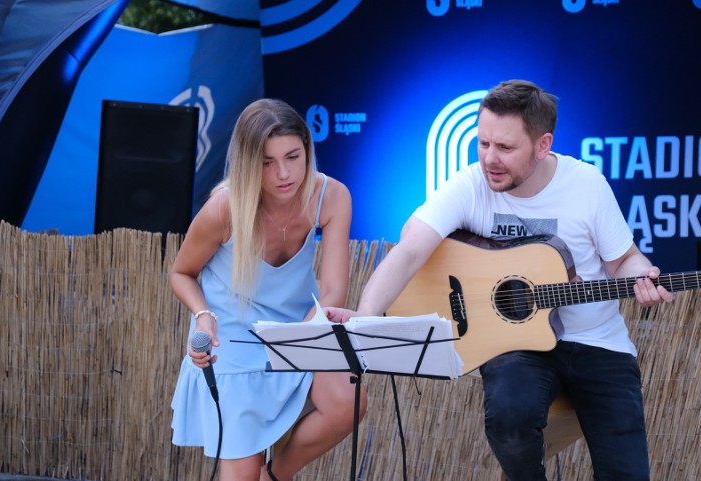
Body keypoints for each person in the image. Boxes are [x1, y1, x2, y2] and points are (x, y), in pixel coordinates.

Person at [325, 79, 673, 480]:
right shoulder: (471, 184)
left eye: (505, 148)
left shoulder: (586, 184)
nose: (490, 158)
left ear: (543, 146)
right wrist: (367, 319)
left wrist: (642, 276)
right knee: (508, 418)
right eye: (483, 143)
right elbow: (408, 252)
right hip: (518, 345)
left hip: (597, 342)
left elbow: (623, 261)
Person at [170, 98, 366, 481]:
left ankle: (276, 476)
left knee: (349, 400)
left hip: (300, 326)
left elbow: (333, 293)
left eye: (293, 156)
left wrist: (298, 339)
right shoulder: (223, 209)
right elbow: (182, 272)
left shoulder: (333, 196)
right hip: (235, 341)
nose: (284, 173)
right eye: (267, 162)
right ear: (247, 163)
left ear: (307, 150)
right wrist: (203, 316)